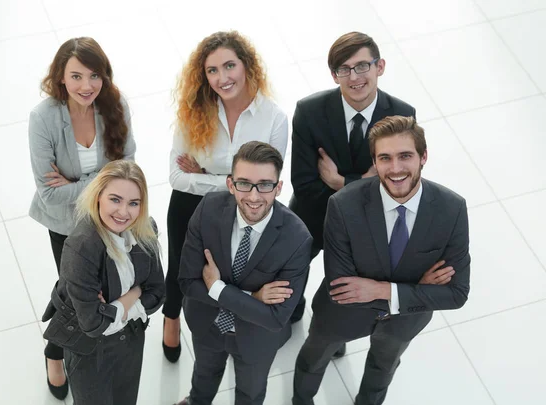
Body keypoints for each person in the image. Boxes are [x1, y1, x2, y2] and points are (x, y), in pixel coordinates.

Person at [292, 116, 471, 405]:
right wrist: (418, 288)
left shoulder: (452, 209)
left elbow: (456, 293)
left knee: (382, 368)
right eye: (385, 158)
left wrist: (381, 290)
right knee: (313, 360)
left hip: (405, 322)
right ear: (374, 162)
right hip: (340, 316)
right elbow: (342, 289)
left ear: (423, 157)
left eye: (405, 156)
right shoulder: (343, 205)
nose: (396, 168)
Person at [163, 31, 288, 363]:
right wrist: (232, 183)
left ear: (246, 65)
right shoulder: (193, 112)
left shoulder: (273, 118)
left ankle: (231, 321)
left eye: (229, 66)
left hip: (247, 210)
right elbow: (176, 177)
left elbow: (267, 181)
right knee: (180, 265)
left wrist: (204, 177)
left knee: (233, 268)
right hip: (190, 206)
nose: (222, 78)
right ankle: (171, 317)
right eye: (212, 71)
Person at [28, 37, 136, 399]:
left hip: (112, 219)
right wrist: (105, 181)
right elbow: (50, 193)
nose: (86, 86)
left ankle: (84, 345)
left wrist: (80, 183)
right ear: (60, 77)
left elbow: (129, 167)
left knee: (101, 288)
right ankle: (54, 353)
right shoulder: (43, 118)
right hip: (66, 224)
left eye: (94, 75)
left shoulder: (115, 104)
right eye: (76, 76)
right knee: (73, 293)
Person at [288, 32, 416, 332]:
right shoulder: (309, 111)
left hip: (367, 220)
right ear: (334, 75)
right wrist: (364, 181)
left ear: (379, 67)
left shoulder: (403, 115)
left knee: (347, 283)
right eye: (344, 69)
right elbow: (304, 185)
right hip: (313, 210)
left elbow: (399, 187)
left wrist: (339, 180)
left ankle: (332, 330)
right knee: (290, 264)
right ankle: (292, 310)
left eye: (362, 66)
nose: (354, 77)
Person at [173, 141, 312, 405]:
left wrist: (218, 288)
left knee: (250, 391)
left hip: (257, 337)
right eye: (244, 183)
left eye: (265, 184)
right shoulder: (207, 210)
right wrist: (254, 297)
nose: (254, 196)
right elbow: (188, 282)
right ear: (230, 184)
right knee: (203, 375)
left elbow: (275, 318)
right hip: (207, 325)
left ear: (279, 187)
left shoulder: (297, 238)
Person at [41, 160, 165, 405]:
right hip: (90, 350)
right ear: (98, 197)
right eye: (115, 199)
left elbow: (158, 293)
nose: (123, 212)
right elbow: (93, 324)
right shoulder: (81, 246)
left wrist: (116, 307)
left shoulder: (145, 228)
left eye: (133, 203)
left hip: (131, 340)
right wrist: (134, 294)